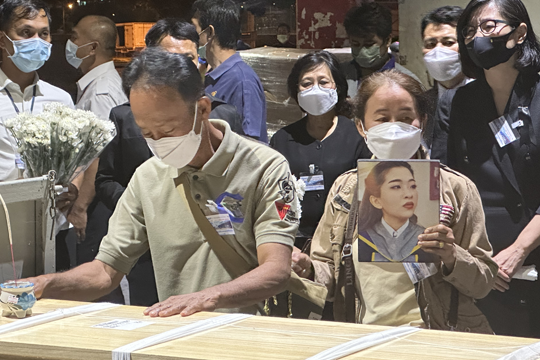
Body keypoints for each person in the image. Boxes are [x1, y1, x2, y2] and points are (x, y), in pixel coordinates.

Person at [27, 47, 298, 317]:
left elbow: (276, 269)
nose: (158, 142)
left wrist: (209, 297)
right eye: (146, 132)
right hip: (176, 333)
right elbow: (104, 272)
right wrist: (45, 284)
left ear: (202, 109)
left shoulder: (265, 167)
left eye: (167, 130)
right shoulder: (148, 176)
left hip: (249, 331)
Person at [292, 70, 497, 332]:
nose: (393, 127)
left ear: (422, 121)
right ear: (361, 127)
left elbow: (483, 283)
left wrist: (451, 255)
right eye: (381, 118)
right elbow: (329, 274)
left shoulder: (456, 189)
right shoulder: (346, 189)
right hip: (366, 338)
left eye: (404, 118)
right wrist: (307, 268)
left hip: (436, 338)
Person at [94, 19, 245, 306]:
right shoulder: (125, 117)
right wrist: (145, 209)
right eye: (170, 60)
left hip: (213, 250)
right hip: (147, 251)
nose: (181, 69)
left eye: (188, 60)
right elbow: (106, 179)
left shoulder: (224, 116)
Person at [446, 0, 540, 338]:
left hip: (532, 256)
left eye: (488, 26)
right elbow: (452, 179)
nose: (477, 38)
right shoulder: (464, 100)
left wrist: (519, 250)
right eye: (469, 31)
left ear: (519, 32)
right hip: (484, 266)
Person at [270, 51, 370, 249]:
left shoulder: (358, 136)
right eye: (306, 83)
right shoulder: (282, 140)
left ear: (338, 87)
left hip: (346, 242)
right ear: (296, 91)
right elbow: (275, 196)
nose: (315, 89)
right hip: (296, 244)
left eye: (323, 82)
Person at [62, 15, 128, 275]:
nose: (69, 42)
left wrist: (79, 208)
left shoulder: (101, 92)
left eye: (75, 37)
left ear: (92, 48)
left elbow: (100, 153)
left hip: (94, 204)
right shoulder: (103, 84)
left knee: (95, 278)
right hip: (96, 200)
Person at [0, 0, 74, 181]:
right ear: (3, 40)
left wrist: (73, 186)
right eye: (26, 32)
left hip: (48, 207)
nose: (37, 41)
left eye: (44, 34)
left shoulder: (60, 100)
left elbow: (73, 158)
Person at [192, 0, 268, 142]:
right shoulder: (212, 76)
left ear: (209, 33)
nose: (193, 40)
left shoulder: (242, 81)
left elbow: (250, 143)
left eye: (195, 31)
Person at [356, 161, 436, 263]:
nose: (409, 194)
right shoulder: (363, 239)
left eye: (412, 186)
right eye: (396, 186)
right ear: (376, 201)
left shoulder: (427, 239)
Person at [341, 3, 420, 98]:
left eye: (369, 44)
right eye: (355, 44)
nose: (362, 50)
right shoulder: (339, 75)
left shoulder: (407, 81)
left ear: (387, 41)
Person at [420, 6, 469, 155]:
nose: (438, 50)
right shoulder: (420, 105)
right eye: (430, 44)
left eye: (448, 42)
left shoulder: (490, 96)